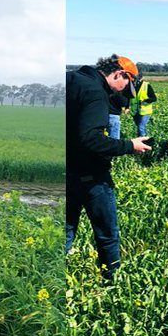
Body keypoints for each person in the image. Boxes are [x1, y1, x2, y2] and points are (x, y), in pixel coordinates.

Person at [67, 55, 151, 280]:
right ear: (118, 74)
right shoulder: (96, 93)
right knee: (107, 235)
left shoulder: (70, 79)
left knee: (66, 231)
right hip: (90, 175)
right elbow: (91, 138)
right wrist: (129, 145)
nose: (122, 92)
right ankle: (112, 284)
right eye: (126, 84)